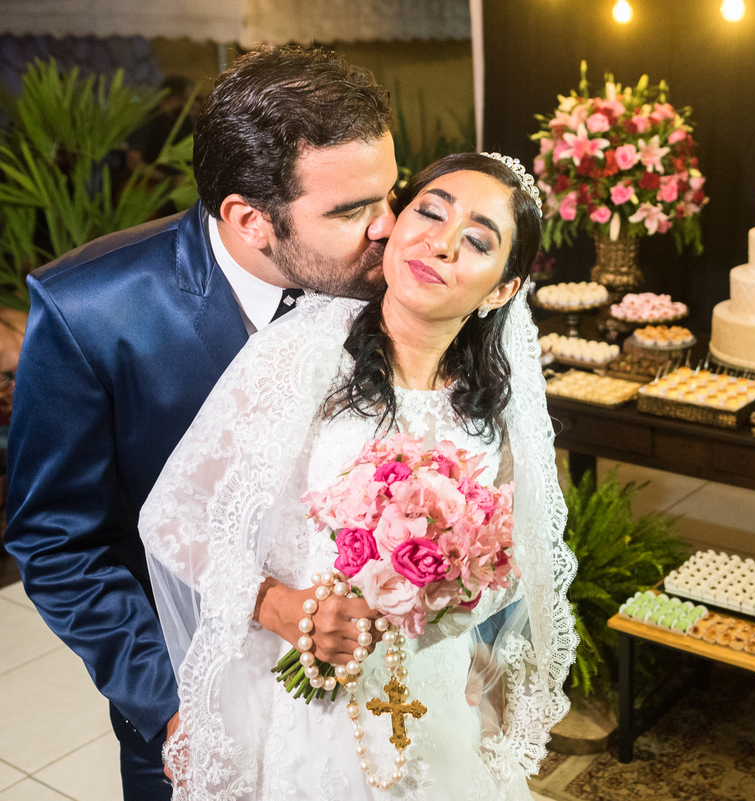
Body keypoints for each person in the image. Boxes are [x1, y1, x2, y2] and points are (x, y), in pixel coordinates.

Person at [4, 45, 398, 800]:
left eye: (389, 192)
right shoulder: (90, 313)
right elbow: (56, 543)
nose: (389, 227)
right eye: (350, 210)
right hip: (194, 698)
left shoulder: (391, 278)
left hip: (368, 711)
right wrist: (170, 706)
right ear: (250, 219)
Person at [139, 152, 578, 799]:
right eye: (430, 213)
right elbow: (171, 516)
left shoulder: (494, 409)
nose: (441, 243)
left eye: (478, 241)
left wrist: (433, 606)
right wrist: (284, 607)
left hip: (430, 690)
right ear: (397, 223)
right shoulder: (303, 353)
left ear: (502, 290)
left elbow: (512, 562)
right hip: (300, 696)